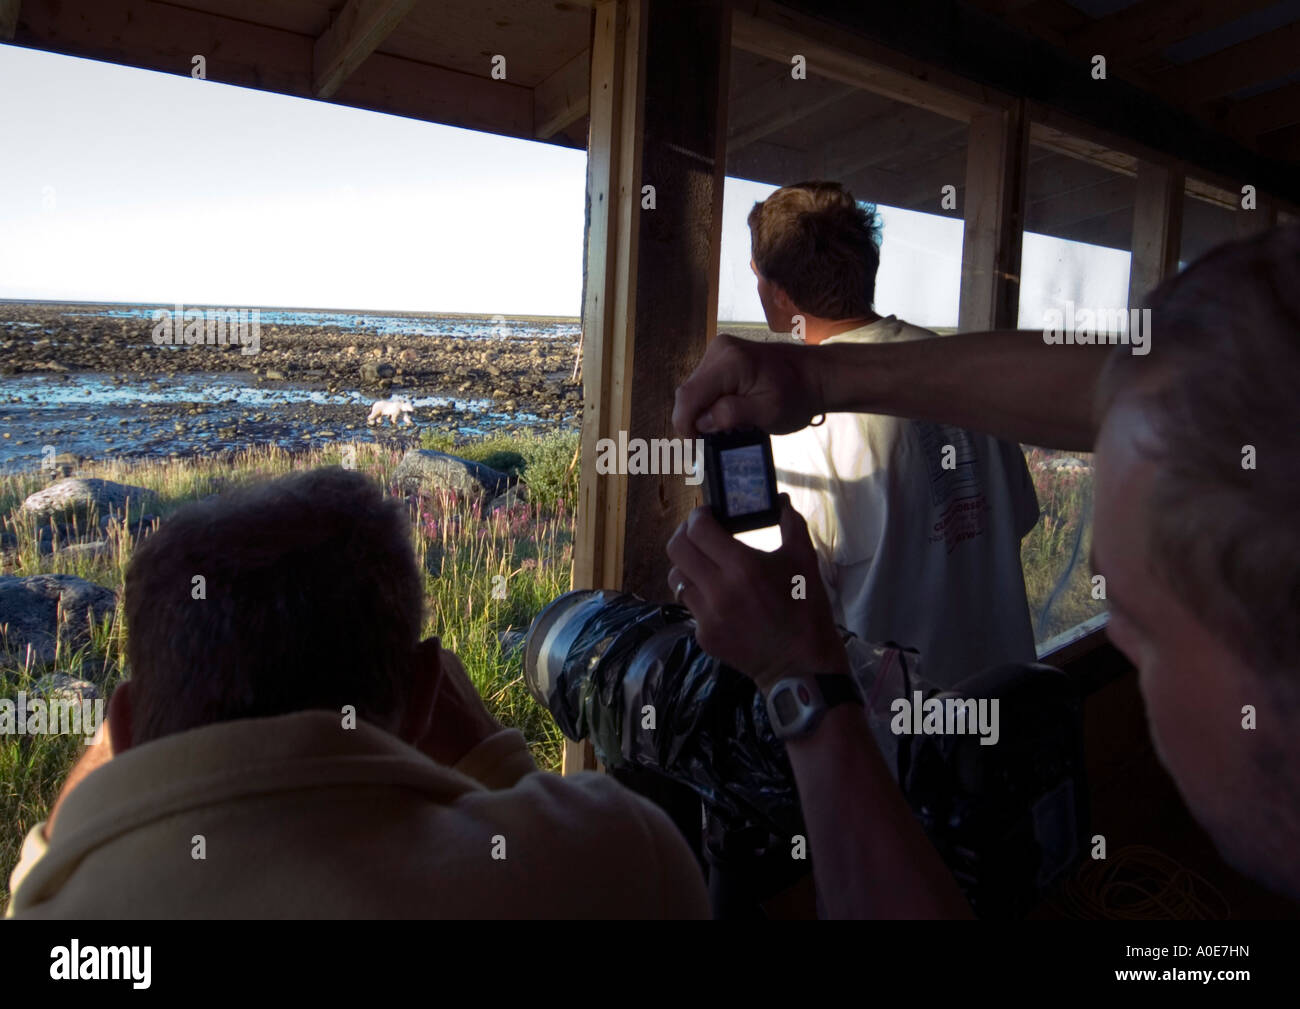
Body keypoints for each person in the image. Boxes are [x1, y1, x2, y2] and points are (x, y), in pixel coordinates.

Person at [669, 225, 1300, 915]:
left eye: (1148, 626)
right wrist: (820, 378)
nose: (1116, 637)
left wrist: (796, 681)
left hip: (907, 771)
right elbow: (1157, 395)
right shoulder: (937, 380)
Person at [7, 468, 709, 919]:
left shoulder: (61, 919)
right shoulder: (619, 856)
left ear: (127, 727)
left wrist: (106, 755)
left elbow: (36, 875)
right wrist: (495, 761)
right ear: (428, 692)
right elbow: (574, 856)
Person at [734, 182, 1039, 687]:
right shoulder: (964, 373)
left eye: (757, 275)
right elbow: (1017, 518)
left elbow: (775, 612)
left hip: (891, 748)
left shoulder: (796, 425)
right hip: (1016, 718)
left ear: (781, 293)